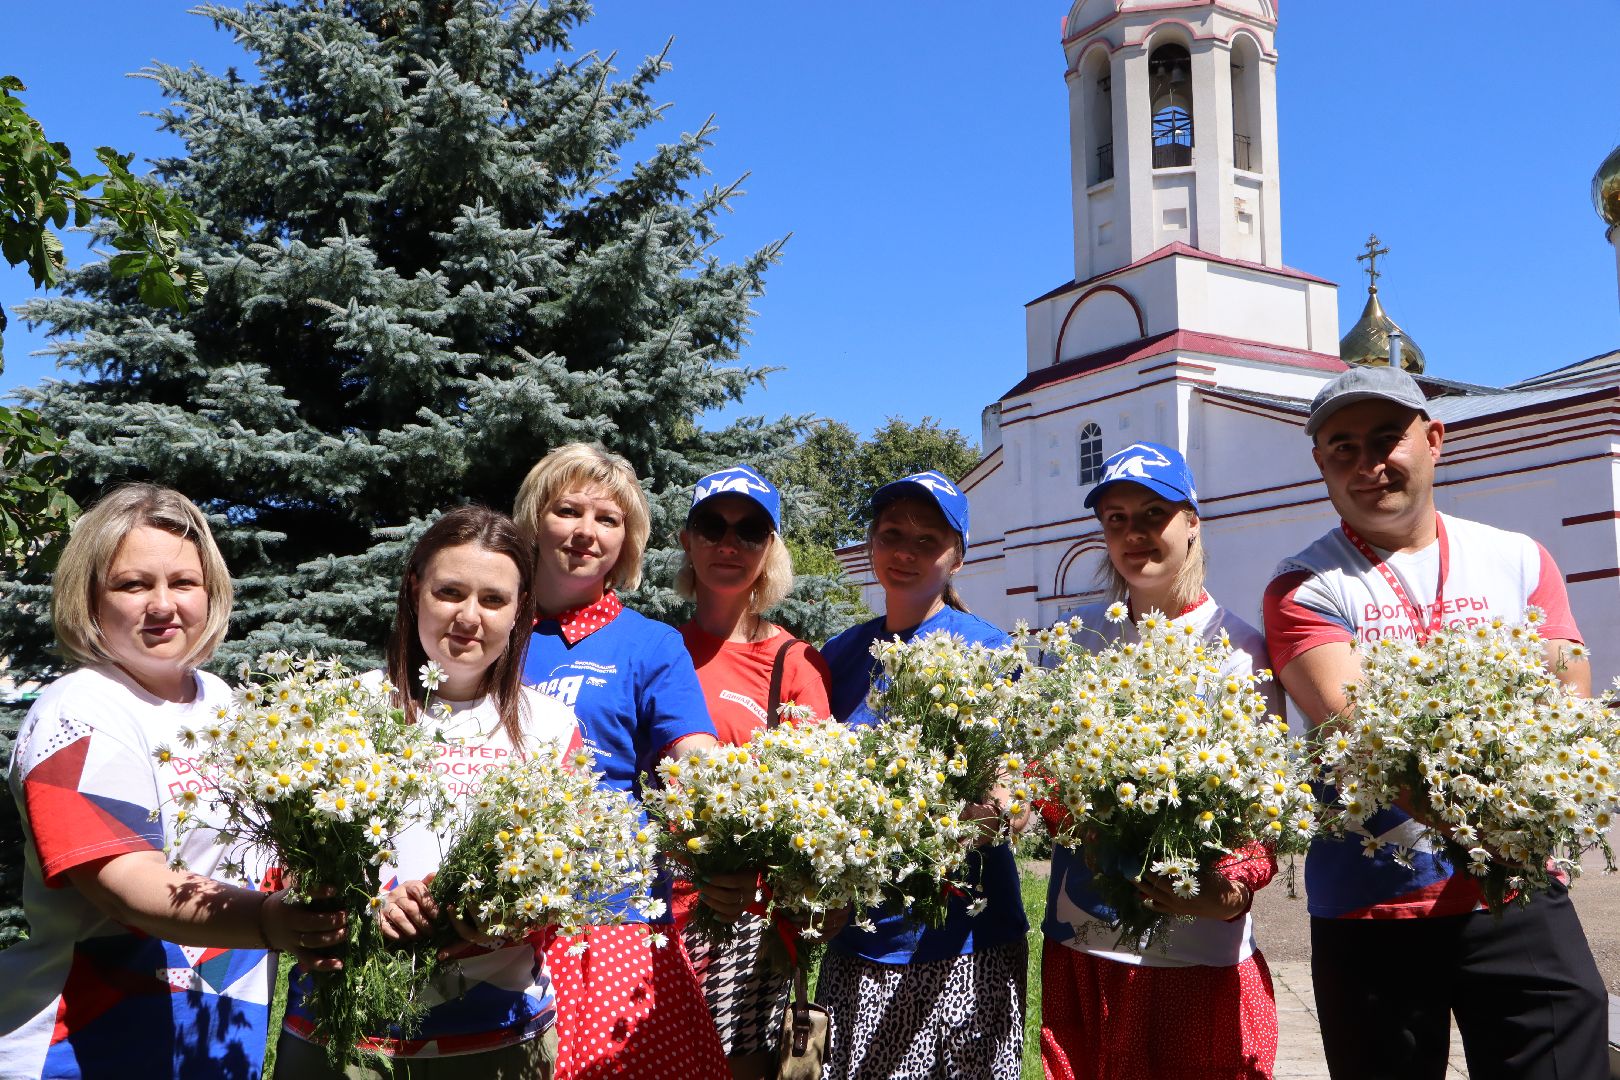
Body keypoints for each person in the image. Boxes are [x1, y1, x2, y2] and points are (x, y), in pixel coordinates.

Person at [1262, 365, 1609, 1079]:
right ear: (1321, 463)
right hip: (1374, 907)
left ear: (1435, 439)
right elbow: (1364, 738)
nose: (1369, 465)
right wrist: (1508, 798)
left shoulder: (1516, 558)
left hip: (1516, 887)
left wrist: (1518, 826)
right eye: (1343, 449)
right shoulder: (1305, 585)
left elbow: (1568, 698)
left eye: (1388, 439)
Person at [0, 484, 345, 1079]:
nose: (163, 604)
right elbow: (121, 881)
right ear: (90, 596)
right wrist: (268, 921)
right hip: (85, 1046)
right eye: (134, 585)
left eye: (183, 583)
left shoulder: (225, 705)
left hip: (217, 1041)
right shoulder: (75, 712)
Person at [274, 506, 579, 1078]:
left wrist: (499, 914)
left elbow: (565, 881)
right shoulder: (342, 707)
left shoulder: (553, 726)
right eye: (450, 591)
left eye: (493, 600)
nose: (468, 616)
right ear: (415, 591)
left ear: (520, 613)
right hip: (341, 1034)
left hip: (497, 1038)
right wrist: (371, 905)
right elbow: (285, 867)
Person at [1039, 443, 1283, 1080]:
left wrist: (1230, 892)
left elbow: (1264, 808)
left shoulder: (1239, 650)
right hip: (1084, 942)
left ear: (1193, 522)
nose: (1133, 532)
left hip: (1194, 958)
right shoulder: (1075, 640)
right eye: (1115, 518)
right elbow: (1044, 774)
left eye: (1153, 513)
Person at [513, 442, 728, 1079]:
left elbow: (694, 758)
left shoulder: (651, 644)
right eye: (568, 511)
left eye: (607, 519)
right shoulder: (491, 630)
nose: (586, 532)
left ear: (626, 541)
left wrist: (728, 820)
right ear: (534, 520)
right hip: (495, 913)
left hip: (613, 916)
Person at [816, 470, 1028, 1080]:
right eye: (891, 534)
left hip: (963, 940)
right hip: (860, 935)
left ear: (957, 556)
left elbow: (1009, 793)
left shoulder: (989, 654)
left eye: (927, 539)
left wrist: (997, 810)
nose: (905, 551)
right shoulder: (841, 654)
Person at [671, 464, 833, 1080]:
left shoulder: (793, 661)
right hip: (656, 911)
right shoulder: (659, 649)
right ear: (687, 539)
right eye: (711, 526)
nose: (728, 544)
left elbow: (816, 804)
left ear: (770, 549)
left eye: (750, 530)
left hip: (746, 918)